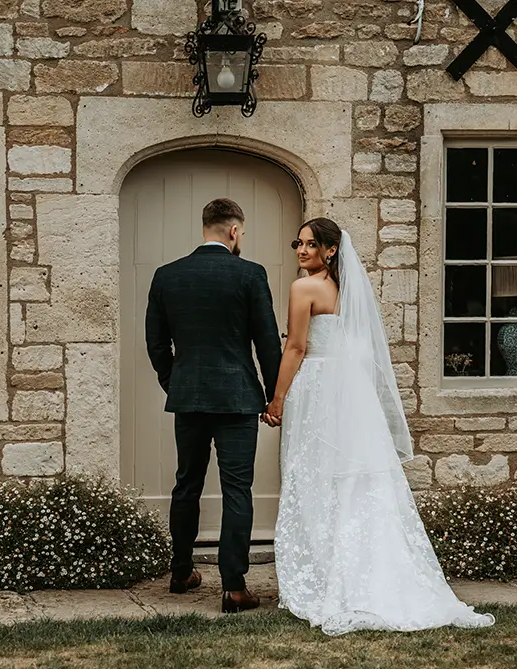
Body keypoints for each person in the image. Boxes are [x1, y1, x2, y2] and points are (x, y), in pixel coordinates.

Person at [262, 217, 495, 635]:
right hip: (351, 394)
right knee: (356, 482)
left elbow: (296, 346)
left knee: (316, 479)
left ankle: (328, 578)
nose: (301, 250)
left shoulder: (303, 288)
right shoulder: (350, 290)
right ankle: (371, 575)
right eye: (297, 242)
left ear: (331, 250)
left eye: (311, 245)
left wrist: (277, 399)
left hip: (317, 390)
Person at [145, 198, 283, 614]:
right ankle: (235, 587)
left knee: (186, 483)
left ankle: (180, 571)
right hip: (238, 399)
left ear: (206, 228)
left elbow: (155, 343)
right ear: (234, 232)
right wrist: (274, 396)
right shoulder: (250, 274)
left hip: (188, 398)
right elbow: (266, 343)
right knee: (236, 489)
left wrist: (176, 382)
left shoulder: (167, 276)